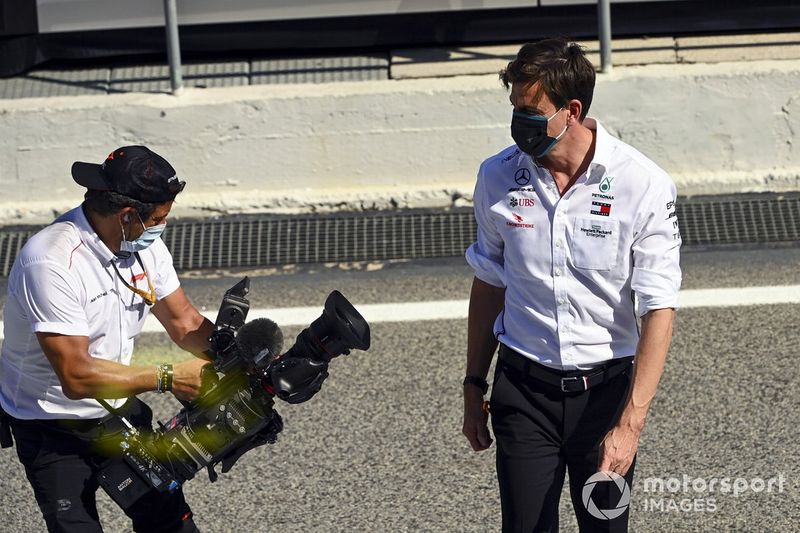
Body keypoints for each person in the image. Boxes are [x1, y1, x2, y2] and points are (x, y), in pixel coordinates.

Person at [461, 38, 681, 532]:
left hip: (604, 398)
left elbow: (659, 309)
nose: (519, 119)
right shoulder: (497, 176)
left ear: (572, 110)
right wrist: (474, 385)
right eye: (514, 106)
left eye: (530, 109)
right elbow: (489, 281)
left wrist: (630, 424)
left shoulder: (641, 184)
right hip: (523, 391)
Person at [0, 146, 215, 532]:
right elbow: (76, 375)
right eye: (159, 219)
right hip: (52, 425)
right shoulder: (50, 262)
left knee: (172, 524)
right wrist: (170, 377)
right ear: (127, 215)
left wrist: (244, 359)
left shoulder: (143, 246)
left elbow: (184, 322)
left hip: (117, 412)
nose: (161, 227)